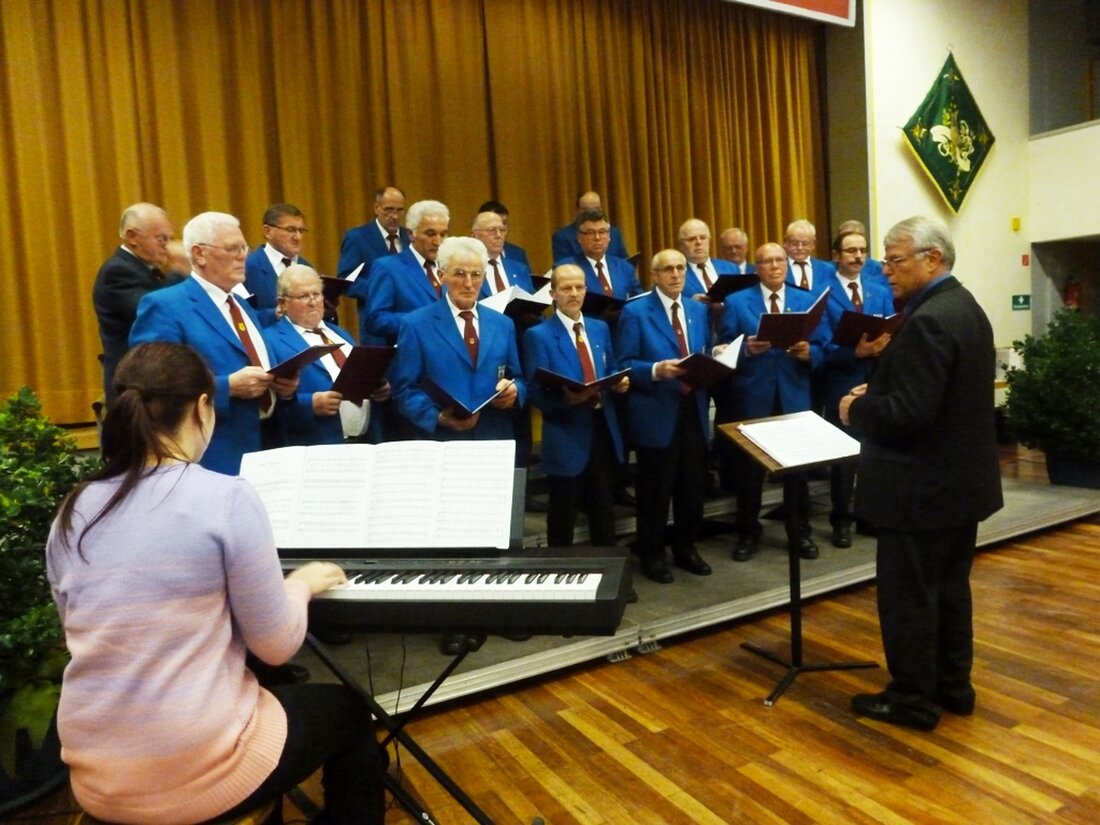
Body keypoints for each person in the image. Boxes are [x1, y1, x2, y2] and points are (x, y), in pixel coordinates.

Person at [47, 341, 385, 824]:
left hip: (94, 774)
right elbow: (276, 646)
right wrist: (302, 584)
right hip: (195, 771)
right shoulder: (224, 497)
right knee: (348, 711)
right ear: (203, 406)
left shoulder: (74, 507)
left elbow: (76, 632)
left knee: (262, 691)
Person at [840, 216, 1003, 731]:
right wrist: (883, 391)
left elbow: (908, 415)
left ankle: (911, 699)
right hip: (957, 486)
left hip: (919, 490)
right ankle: (953, 687)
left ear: (932, 259)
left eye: (895, 260)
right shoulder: (966, 307)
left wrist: (856, 408)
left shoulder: (928, 319)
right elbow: (942, 397)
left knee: (909, 599)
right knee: (950, 589)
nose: (885, 270)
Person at [130, 211, 298, 475]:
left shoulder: (241, 305)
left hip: (268, 447)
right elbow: (150, 383)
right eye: (232, 248)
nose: (242, 256)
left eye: (244, 248)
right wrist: (226, 386)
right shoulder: (166, 305)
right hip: (213, 454)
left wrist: (284, 386)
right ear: (199, 254)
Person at [717, 242, 828, 562]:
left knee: (797, 470)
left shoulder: (805, 300)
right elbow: (721, 347)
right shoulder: (737, 302)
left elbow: (823, 345)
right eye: (768, 261)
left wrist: (809, 353)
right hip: (753, 395)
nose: (776, 266)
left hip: (793, 394)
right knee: (750, 472)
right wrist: (745, 349)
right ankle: (748, 533)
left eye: (780, 260)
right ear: (757, 269)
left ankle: (800, 532)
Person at [616, 249, 713, 584]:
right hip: (656, 409)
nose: (676, 274)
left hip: (692, 407)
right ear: (655, 275)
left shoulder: (697, 310)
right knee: (655, 491)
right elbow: (624, 364)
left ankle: (686, 548)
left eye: (680, 268)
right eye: (668, 269)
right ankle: (652, 553)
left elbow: (703, 351)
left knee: (692, 486)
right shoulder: (636, 312)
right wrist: (657, 369)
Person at [523, 264, 628, 548]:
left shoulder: (599, 328)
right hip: (565, 431)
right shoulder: (539, 335)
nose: (574, 293)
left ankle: (608, 570)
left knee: (604, 509)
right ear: (553, 294)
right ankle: (561, 571)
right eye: (566, 288)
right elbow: (534, 391)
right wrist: (565, 400)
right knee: (563, 513)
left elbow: (611, 367)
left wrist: (619, 382)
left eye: (579, 287)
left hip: (602, 428)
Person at [388, 236, 525, 441]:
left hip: (494, 436)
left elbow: (517, 378)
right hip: (442, 439)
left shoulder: (503, 324)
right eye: (459, 274)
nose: (468, 284)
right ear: (441, 276)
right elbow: (405, 389)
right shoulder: (416, 325)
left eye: (476, 275)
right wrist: (437, 417)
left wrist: (514, 392)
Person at [821, 230, 893, 547]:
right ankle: (840, 520)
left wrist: (882, 348)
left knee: (874, 453)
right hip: (842, 382)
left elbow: (892, 328)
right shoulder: (823, 293)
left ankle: (868, 514)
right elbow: (822, 347)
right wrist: (857, 352)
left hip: (876, 381)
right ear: (836, 255)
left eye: (862, 250)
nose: (858, 256)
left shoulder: (879, 291)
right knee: (844, 457)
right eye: (851, 251)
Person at [267, 265, 389, 445]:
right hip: (317, 444)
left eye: (316, 294)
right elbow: (267, 403)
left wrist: (379, 388)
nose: (312, 302)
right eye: (303, 296)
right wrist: (310, 405)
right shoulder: (271, 340)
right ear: (283, 303)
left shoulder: (340, 333)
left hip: (366, 441)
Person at [92, 203, 180, 404]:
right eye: (161, 239)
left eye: (170, 239)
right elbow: (152, 311)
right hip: (132, 384)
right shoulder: (118, 271)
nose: (167, 247)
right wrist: (178, 271)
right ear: (132, 237)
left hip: (148, 378)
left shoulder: (145, 269)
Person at [361, 199, 449, 346]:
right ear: (411, 234)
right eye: (430, 234)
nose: (438, 242)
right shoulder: (388, 267)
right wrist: (421, 320)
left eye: (443, 234)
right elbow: (375, 320)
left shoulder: (450, 267)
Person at [243, 203, 314, 326]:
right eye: (290, 230)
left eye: (301, 231)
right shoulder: (249, 267)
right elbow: (241, 315)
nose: (298, 237)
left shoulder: (307, 267)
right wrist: (275, 313)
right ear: (268, 231)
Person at [336, 185, 409, 279]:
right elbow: (347, 278)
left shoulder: (411, 238)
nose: (395, 216)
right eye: (389, 210)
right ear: (376, 208)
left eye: (400, 210)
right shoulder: (356, 238)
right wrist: (378, 286)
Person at [471, 210, 536, 298]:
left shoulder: (519, 269)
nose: (498, 235)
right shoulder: (467, 270)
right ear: (475, 236)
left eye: (502, 230)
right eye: (492, 230)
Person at [550, 190, 630, 261]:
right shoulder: (562, 237)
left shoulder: (614, 233)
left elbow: (625, 261)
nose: (592, 213)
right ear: (577, 210)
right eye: (587, 209)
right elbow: (564, 268)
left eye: (596, 209)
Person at [677, 218, 740, 304]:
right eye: (692, 239)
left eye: (703, 238)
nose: (698, 242)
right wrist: (690, 303)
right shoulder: (677, 273)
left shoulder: (731, 268)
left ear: (709, 240)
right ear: (681, 245)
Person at [784, 218, 835, 296]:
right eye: (794, 243)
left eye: (804, 244)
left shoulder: (827, 269)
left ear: (813, 244)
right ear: (786, 243)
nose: (800, 248)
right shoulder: (779, 268)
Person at [477, 199, 530, 268]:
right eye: (494, 223)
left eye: (504, 223)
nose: (500, 228)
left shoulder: (518, 253)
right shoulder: (469, 254)